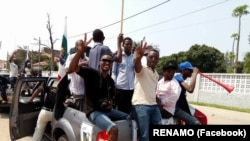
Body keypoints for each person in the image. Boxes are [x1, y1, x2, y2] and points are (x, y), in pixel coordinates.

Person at [68, 35, 130, 141]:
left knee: (129, 117)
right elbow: (72, 68)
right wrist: (80, 52)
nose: (107, 63)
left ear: (111, 65)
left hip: (106, 110)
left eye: (109, 61)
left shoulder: (110, 81)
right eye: (104, 60)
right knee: (114, 129)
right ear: (99, 62)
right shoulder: (91, 73)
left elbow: (109, 98)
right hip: (93, 111)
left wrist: (110, 104)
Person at [131, 41, 162, 141]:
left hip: (153, 105)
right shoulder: (142, 70)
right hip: (141, 106)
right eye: (150, 57)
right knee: (144, 136)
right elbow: (137, 66)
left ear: (158, 60)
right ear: (146, 58)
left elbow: (151, 89)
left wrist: (157, 100)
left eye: (155, 57)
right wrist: (138, 58)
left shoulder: (156, 74)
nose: (153, 59)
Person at [64, 40, 89, 110]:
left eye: (84, 45)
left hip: (86, 94)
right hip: (76, 93)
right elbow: (67, 70)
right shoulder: (71, 57)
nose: (84, 46)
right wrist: (81, 64)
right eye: (81, 45)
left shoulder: (87, 59)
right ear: (76, 47)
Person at [111, 37, 134, 114]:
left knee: (129, 110)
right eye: (127, 44)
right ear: (123, 45)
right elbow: (113, 72)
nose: (129, 46)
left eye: (130, 44)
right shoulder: (118, 56)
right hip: (120, 88)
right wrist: (114, 84)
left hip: (131, 89)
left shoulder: (134, 58)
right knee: (120, 110)